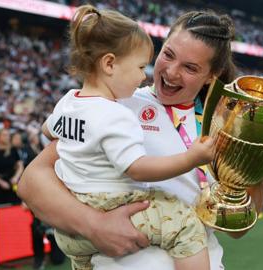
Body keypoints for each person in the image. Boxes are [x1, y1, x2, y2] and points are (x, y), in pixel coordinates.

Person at [18, 9, 263, 270]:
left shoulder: (226, 127)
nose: (171, 72)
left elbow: (237, 230)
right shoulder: (117, 102)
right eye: (168, 54)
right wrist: (94, 225)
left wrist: (261, 171)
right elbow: (32, 181)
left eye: (189, 67)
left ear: (212, 75)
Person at [41, 5, 214, 270]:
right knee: (185, 224)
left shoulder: (68, 102)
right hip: (111, 207)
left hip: (70, 232)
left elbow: (48, 129)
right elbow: (137, 169)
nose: (144, 75)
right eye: (140, 66)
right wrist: (192, 158)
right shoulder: (115, 114)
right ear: (109, 63)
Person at [0, 128, 24, 205]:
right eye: (4, 135)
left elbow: (20, 166)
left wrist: (16, 177)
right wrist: (0, 182)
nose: (7, 137)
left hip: (12, 183)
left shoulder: (13, 150)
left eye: (8, 135)